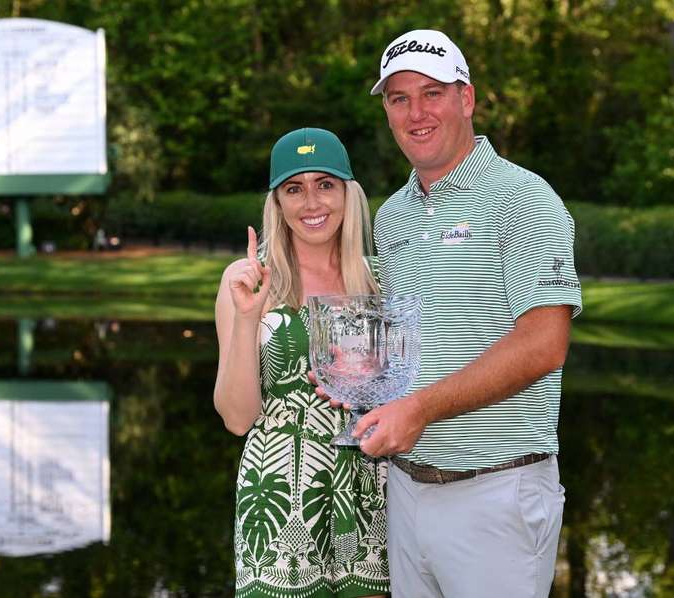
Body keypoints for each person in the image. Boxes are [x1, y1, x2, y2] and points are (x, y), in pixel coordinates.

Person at [321, 30, 583, 596]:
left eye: (432, 92)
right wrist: (361, 379)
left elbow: (544, 344)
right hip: (406, 490)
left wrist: (419, 407)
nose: (416, 112)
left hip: (496, 494)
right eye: (398, 98)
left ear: (466, 99)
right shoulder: (392, 216)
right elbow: (406, 350)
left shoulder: (523, 197)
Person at [213, 128, 389, 597]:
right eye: (295, 188)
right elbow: (236, 418)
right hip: (278, 494)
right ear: (277, 202)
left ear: (348, 194)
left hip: (370, 491)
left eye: (325, 184)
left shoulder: (380, 281)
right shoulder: (247, 281)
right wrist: (249, 319)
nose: (312, 202)